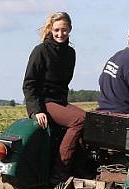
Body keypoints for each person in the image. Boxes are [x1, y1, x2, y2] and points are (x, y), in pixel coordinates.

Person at [22, 11, 85, 172]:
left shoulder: (70, 53)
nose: (60, 33)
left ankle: (82, 165)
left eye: (64, 29)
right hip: (45, 102)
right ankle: (61, 169)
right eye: (56, 30)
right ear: (51, 29)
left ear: (70, 29)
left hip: (60, 101)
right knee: (80, 120)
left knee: (91, 120)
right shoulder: (41, 51)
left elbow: (64, 84)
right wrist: (37, 110)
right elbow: (29, 84)